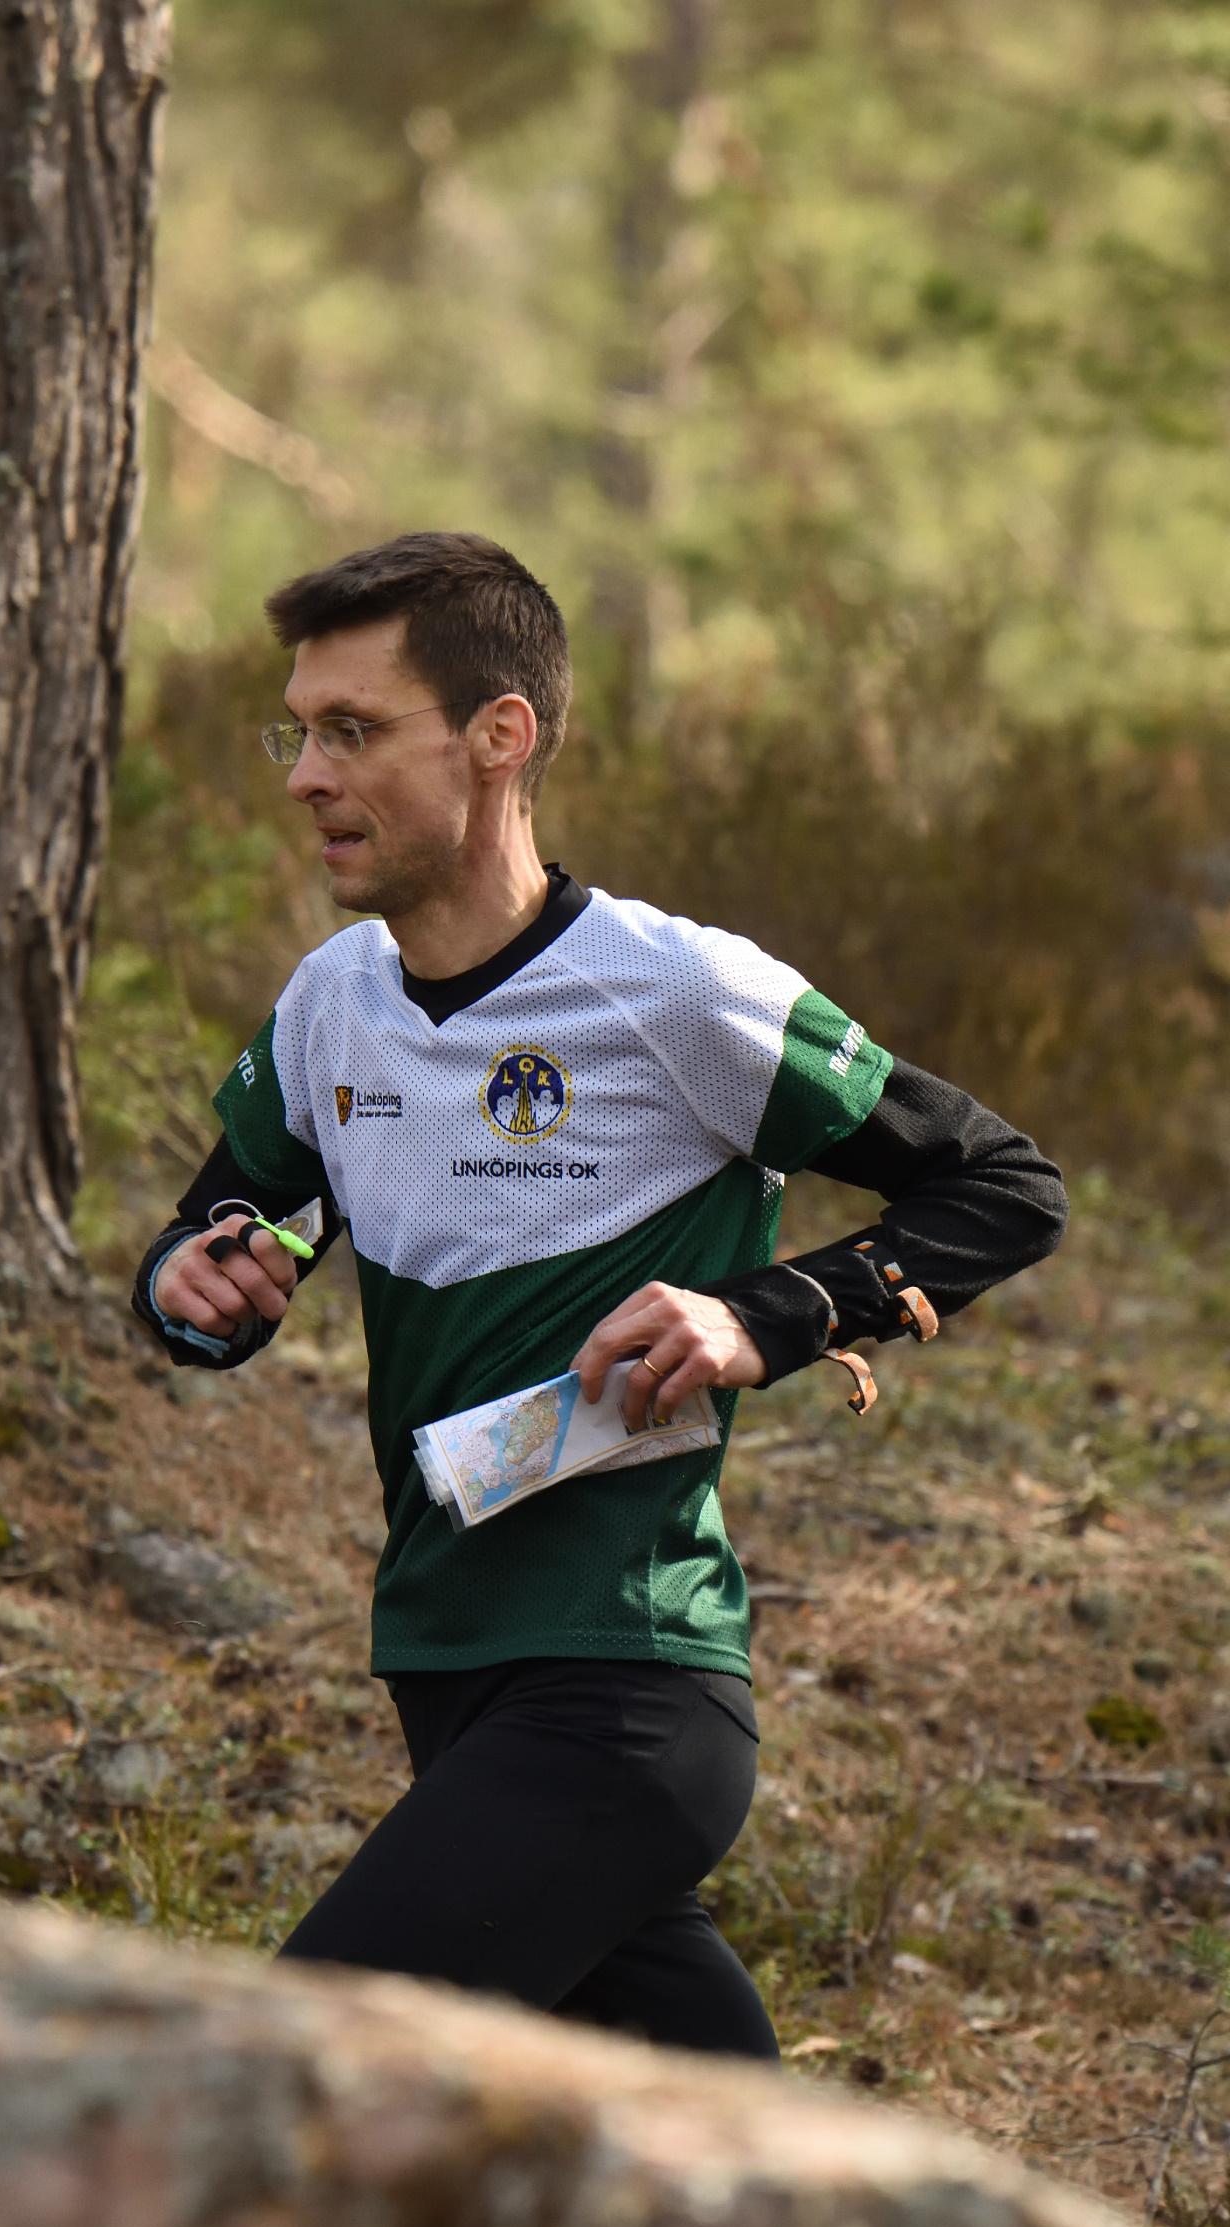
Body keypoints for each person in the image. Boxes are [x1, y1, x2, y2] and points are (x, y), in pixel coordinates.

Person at [131, 532, 1066, 2060]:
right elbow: (226, 1229)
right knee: (710, 2129)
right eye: (294, 732)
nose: (304, 777)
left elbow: (1005, 1187)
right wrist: (197, 1284)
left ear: (498, 736)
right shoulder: (329, 1006)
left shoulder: (677, 990)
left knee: (297, 2058)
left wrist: (763, 1317)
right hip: (440, 1665)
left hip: (622, 1684)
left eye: (352, 731)